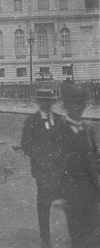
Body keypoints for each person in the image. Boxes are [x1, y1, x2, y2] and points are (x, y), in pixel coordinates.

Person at [55, 84, 100, 248]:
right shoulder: (60, 130)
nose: (79, 107)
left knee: (95, 237)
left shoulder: (88, 130)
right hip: (73, 195)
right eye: (74, 103)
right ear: (66, 105)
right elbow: (56, 165)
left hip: (92, 194)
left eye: (82, 103)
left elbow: (95, 160)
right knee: (79, 239)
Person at [20, 89, 65, 248]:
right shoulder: (31, 121)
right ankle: (45, 237)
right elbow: (26, 145)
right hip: (42, 169)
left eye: (49, 101)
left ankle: (75, 232)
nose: (46, 104)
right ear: (38, 102)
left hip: (60, 169)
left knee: (69, 198)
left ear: (53, 102)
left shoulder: (61, 120)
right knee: (44, 203)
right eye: (43, 101)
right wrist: (42, 157)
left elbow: (66, 143)